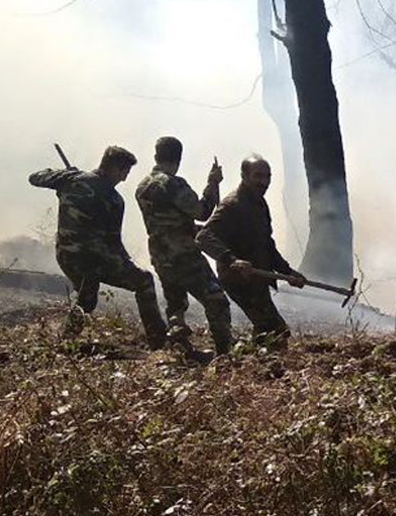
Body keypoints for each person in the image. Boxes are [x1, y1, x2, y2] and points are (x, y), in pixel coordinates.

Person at [28, 146, 168, 348]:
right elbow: (114, 243)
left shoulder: (70, 180)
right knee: (144, 281)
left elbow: (35, 177)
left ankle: (65, 342)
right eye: (124, 172)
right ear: (114, 168)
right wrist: (128, 263)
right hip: (94, 260)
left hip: (67, 256)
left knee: (87, 299)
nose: (124, 179)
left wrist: (64, 175)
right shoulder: (113, 199)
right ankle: (159, 341)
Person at [134, 136, 234, 356]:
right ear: (178, 158)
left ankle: (178, 346)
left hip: (160, 255)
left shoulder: (142, 187)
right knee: (216, 300)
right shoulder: (173, 184)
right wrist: (213, 183)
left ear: (155, 155)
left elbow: (169, 220)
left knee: (176, 304)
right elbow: (203, 211)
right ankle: (224, 354)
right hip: (184, 255)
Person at [195, 156, 305, 348]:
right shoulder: (232, 205)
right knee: (276, 331)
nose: (264, 182)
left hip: (258, 278)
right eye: (258, 176)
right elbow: (204, 237)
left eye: (267, 176)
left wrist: (287, 272)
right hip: (239, 279)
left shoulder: (260, 204)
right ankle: (246, 365)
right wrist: (231, 260)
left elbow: (267, 245)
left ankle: (250, 362)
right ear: (244, 176)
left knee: (267, 331)